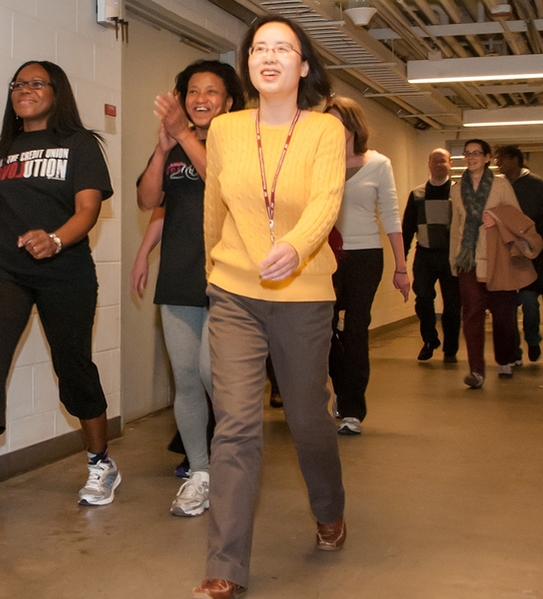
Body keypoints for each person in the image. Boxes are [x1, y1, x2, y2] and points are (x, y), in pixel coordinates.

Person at [193, 15, 346, 599]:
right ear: (249, 63)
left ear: (303, 66)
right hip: (234, 292)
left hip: (303, 294)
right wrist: (214, 266)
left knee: (308, 418)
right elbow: (216, 204)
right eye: (260, 48)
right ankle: (225, 566)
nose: (270, 56)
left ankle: (329, 508)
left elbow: (327, 198)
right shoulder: (228, 128)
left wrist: (295, 247)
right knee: (234, 426)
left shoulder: (325, 130)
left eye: (284, 48)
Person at [0, 61, 117, 535]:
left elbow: (88, 211)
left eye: (36, 83)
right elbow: (7, 212)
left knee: (74, 367)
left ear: (56, 92)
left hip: (66, 270)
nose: (25, 90)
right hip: (7, 270)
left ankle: (100, 462)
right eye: (18, 84)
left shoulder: (81, 145)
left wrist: (57, 240)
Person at [132, 59, 244, 517]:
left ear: (229, 102)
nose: (200, 99)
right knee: (186, 379)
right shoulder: (175, 144)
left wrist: (183, 135)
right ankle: (201, 472)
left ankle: (234, 462)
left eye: (211, 91)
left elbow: (224, 186)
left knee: (212, 374)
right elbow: (148, 200)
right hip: (178, 275)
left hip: (227, 276)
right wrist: (162, 150)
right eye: (192, 91)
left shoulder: (236, 141)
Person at [324, 96, 409, 436]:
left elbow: (390, 214)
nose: (332, 129)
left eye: (338, 122)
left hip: (365, 255)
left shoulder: (378, 164)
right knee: (323, 330)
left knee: (356, 331)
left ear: (352, 125)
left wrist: (401, 267)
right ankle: (343, 388)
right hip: (324, 257)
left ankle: (352, 410)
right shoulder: (317, 162)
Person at [451, 139, 532, 388]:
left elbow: (517, 219)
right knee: (472, 315)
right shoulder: (456, 190)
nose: (471, 157)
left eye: (477, 153)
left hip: (498, 260)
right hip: (469, 260)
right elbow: (456, 226)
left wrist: (496, 218)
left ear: (487, 158)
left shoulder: (501, 185)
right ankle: (476, 371)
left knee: (503, 315)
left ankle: (505, 359)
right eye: (467, 153)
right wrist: (454, 260)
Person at [493, 145, 543, 363]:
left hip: (530, 253)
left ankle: (533, 339)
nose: (498, 163)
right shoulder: (497, 184)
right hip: (504, 253)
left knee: (529, 301)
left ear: (514, 160)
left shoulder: (535, 184)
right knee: (507, 307)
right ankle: (514, 351)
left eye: (501, 159)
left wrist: (538, 246)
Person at [402, 148, 461, 363]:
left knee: (453, 305)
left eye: (442, 161)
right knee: (423, 299)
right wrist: (402, 259)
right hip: (425, 255)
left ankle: (451, 349)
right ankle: (430, 340)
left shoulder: (458, 193)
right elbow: (408, 227)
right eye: (435, 160)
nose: (438, 164)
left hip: (450, 256)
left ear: (450, 164)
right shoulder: (417, 194)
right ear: (429, 163)